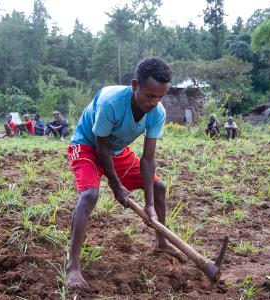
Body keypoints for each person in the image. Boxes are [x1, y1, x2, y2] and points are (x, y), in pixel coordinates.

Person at [65, 57, 186, 290]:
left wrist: (149, 204)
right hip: (88, 146)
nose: (154, 102)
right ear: (134, 85)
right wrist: (116, 185)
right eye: (150, 95)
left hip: (117, 151)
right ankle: (72, 267)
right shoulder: (111, 102)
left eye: (160, 96)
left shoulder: (157, 112)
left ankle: (161, 242)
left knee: (159, 188)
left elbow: (148, 158)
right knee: (89, 195)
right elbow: (101, 148)